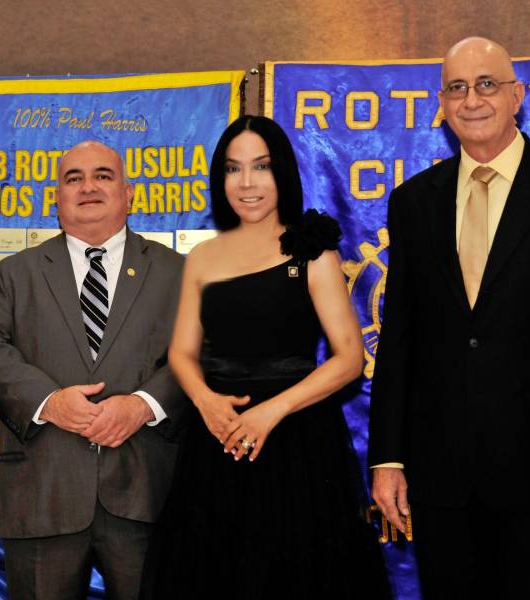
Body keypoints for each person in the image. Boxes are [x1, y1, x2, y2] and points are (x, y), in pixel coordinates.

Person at [369, 37, 530, 599]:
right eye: (458, 87)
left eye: (487, 84)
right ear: (441, 104)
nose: (473, 99)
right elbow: (400, 339)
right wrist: (388, 458)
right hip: (442, 477)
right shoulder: (413, 202)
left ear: (518, 96)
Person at [140, 115, 389, 599]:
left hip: (296, 445)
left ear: (284, 174)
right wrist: (209, 404)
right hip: (218, 441)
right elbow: (182, 352)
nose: (247, 182)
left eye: (262, 166)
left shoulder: (313, 252)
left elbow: (348, 358)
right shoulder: (204, 257)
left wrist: (271, 412)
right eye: (233, 169)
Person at [0, 140, 185, 600]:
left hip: (148, 493)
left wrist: (144, 406)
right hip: (44, 494)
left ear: (128, 194)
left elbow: (203, 352)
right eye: (73, 178)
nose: (88, 187)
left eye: (103, 176)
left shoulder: (179, 272)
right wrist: (49, 402)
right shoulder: (13, 273)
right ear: (57, 198)